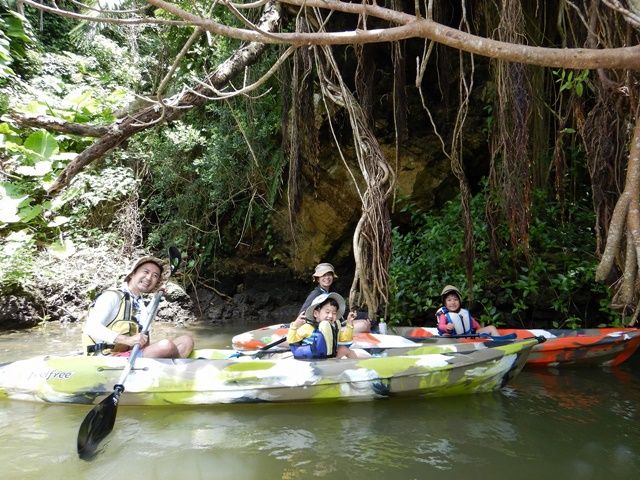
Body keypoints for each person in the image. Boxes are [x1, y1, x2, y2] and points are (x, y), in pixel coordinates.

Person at [81, 255, 194, 358]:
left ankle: (171, 365)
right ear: (132, 274)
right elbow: (91, 327)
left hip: (130, 355)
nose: (149, 278)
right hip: (105, 357)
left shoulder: (139, 303)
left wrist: (156, 298)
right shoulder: (112, 296)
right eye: (146, 272)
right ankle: (174, 363)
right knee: (166, 346)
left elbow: (145, 336)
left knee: (186, 341)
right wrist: (126, 340)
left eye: (155, 276)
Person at [287, 292, 365, 359]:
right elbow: (291, 340)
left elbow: (345, 340)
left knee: (344, 349)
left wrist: (349, 323)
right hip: (311, 359)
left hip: (328, 359)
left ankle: (360, 364)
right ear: (316, 313)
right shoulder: (307, 327)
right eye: (327, 312)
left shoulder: (333, 327)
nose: (330, 316)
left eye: (334, 313)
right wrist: (295, 325)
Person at [299, 262, 372, 333]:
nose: (327, 277)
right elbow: (303, 315)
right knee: (364, 325)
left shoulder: (332, 292)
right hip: (325, 328)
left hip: (337, 322)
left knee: (367, 320)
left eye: (329, 275)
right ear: (318, 279)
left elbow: (341, 311)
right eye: (323, 275)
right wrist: (317, 326)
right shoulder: (315, 294)